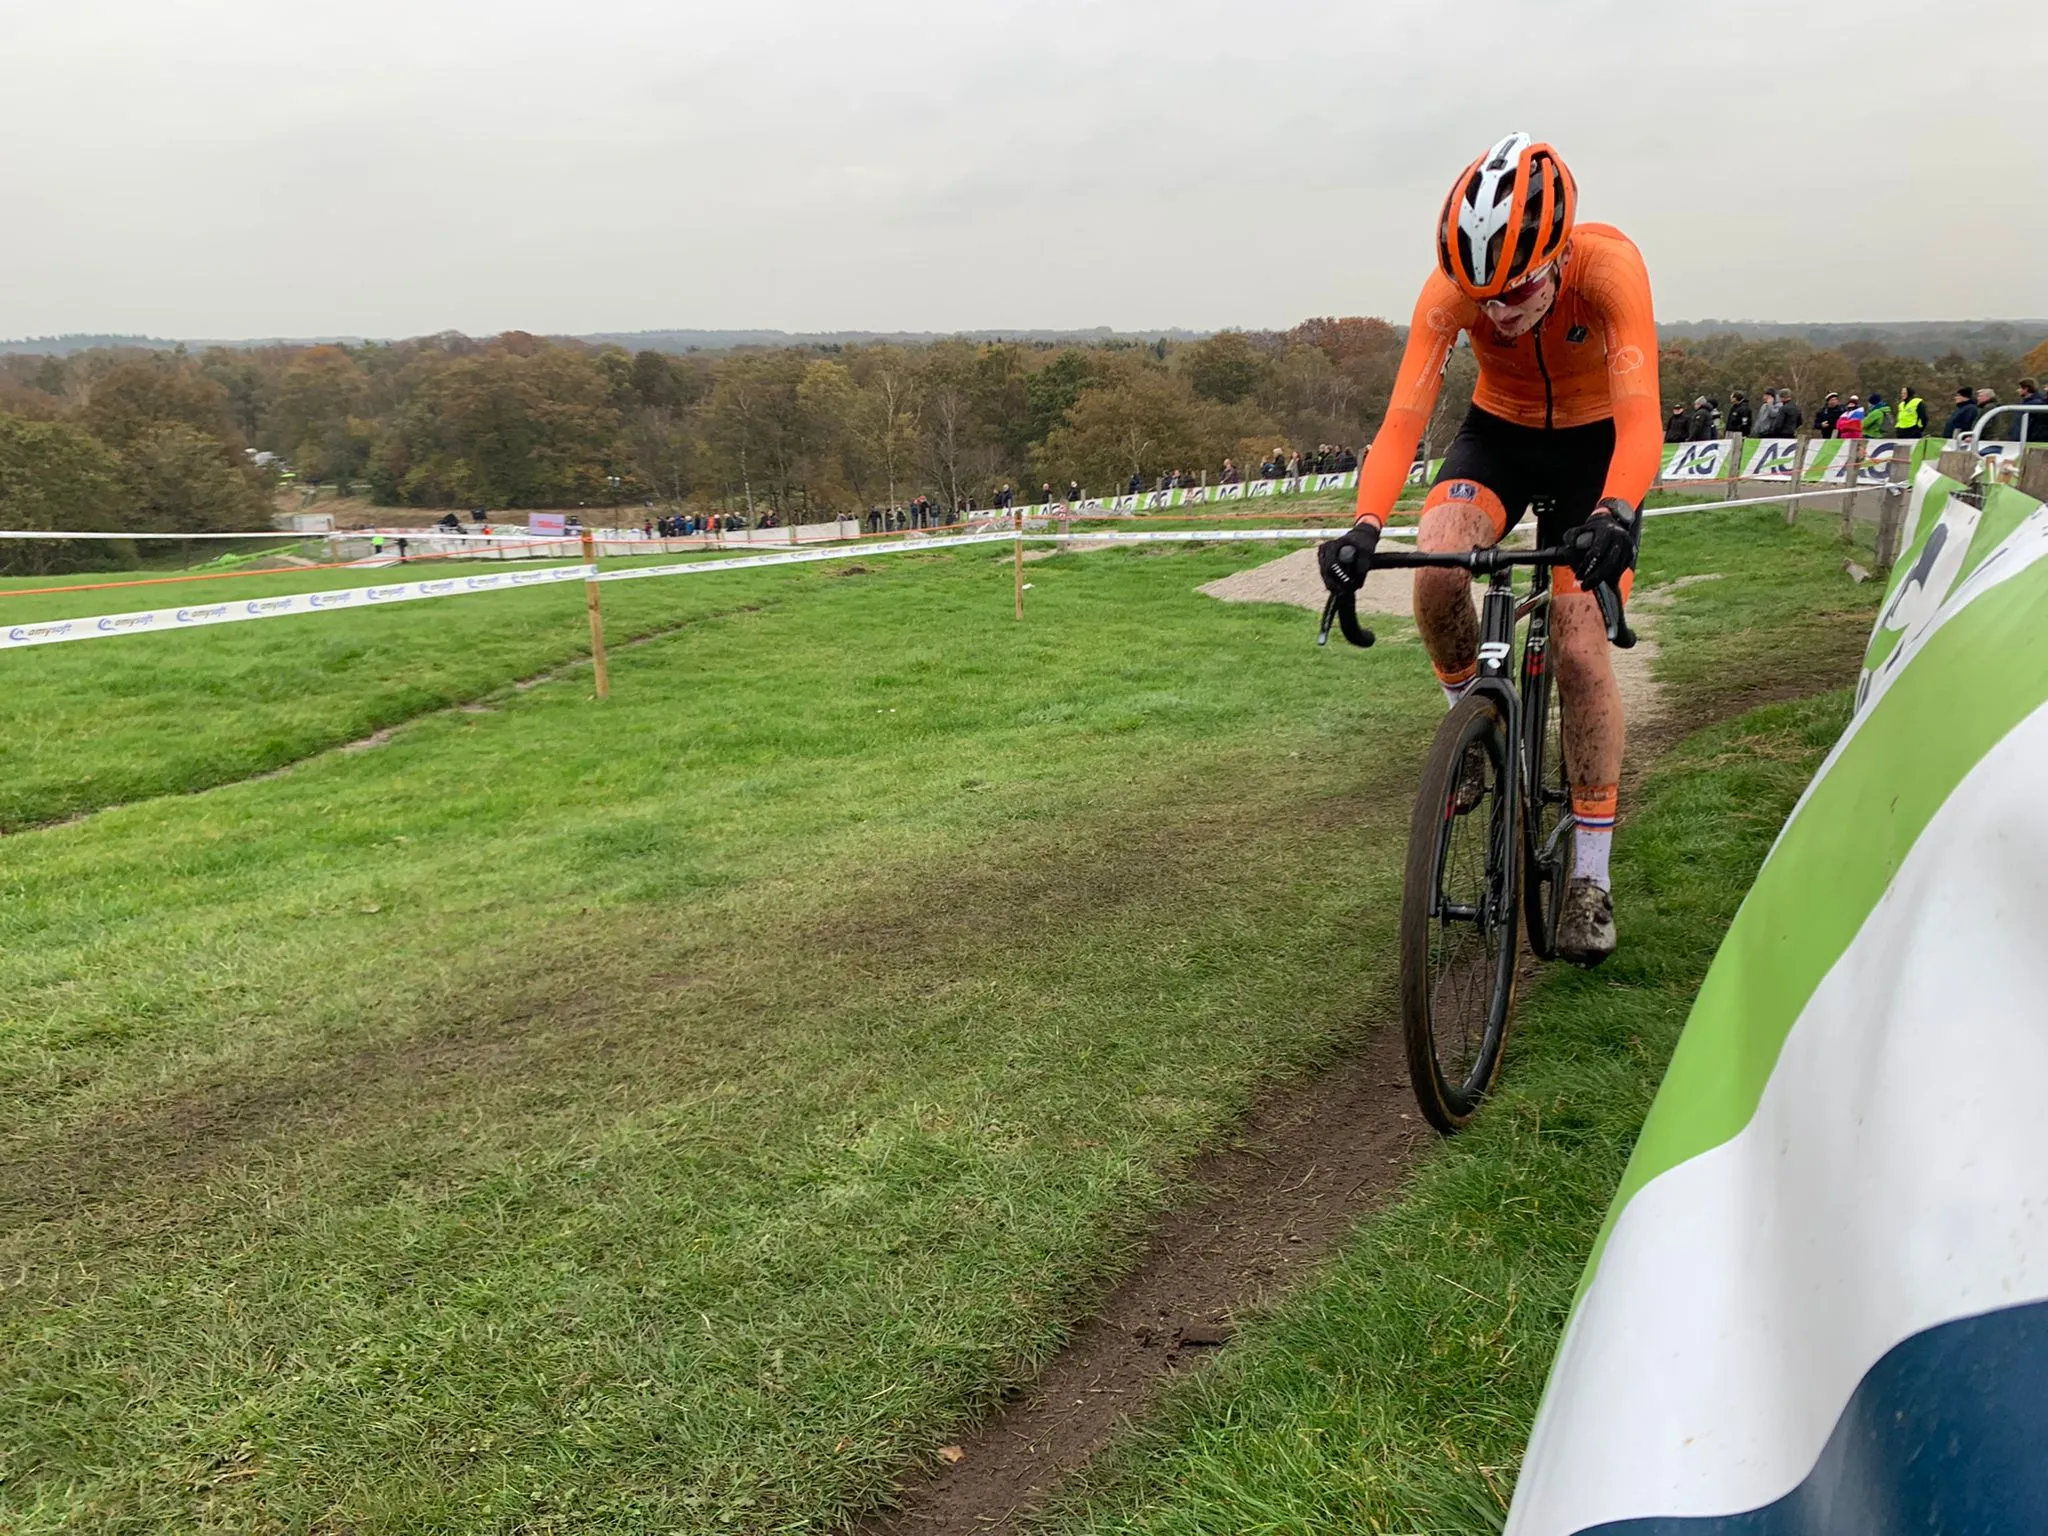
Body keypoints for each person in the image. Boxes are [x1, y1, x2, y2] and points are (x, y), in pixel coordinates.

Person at [1318, 132, 1657, 965]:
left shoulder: (1609, 271)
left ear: (1555, 257)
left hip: (1595, 451)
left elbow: (1643, 413)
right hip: (1499, 432)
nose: (1495, 315)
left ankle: (1589, 876)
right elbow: (1405, 415)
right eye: (1483, 300)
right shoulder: (1454, 291)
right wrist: (1364, 526)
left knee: (1579, 650)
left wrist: (1616, 511)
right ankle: (1472, 733)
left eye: (1514, 295)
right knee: (1435, 569)